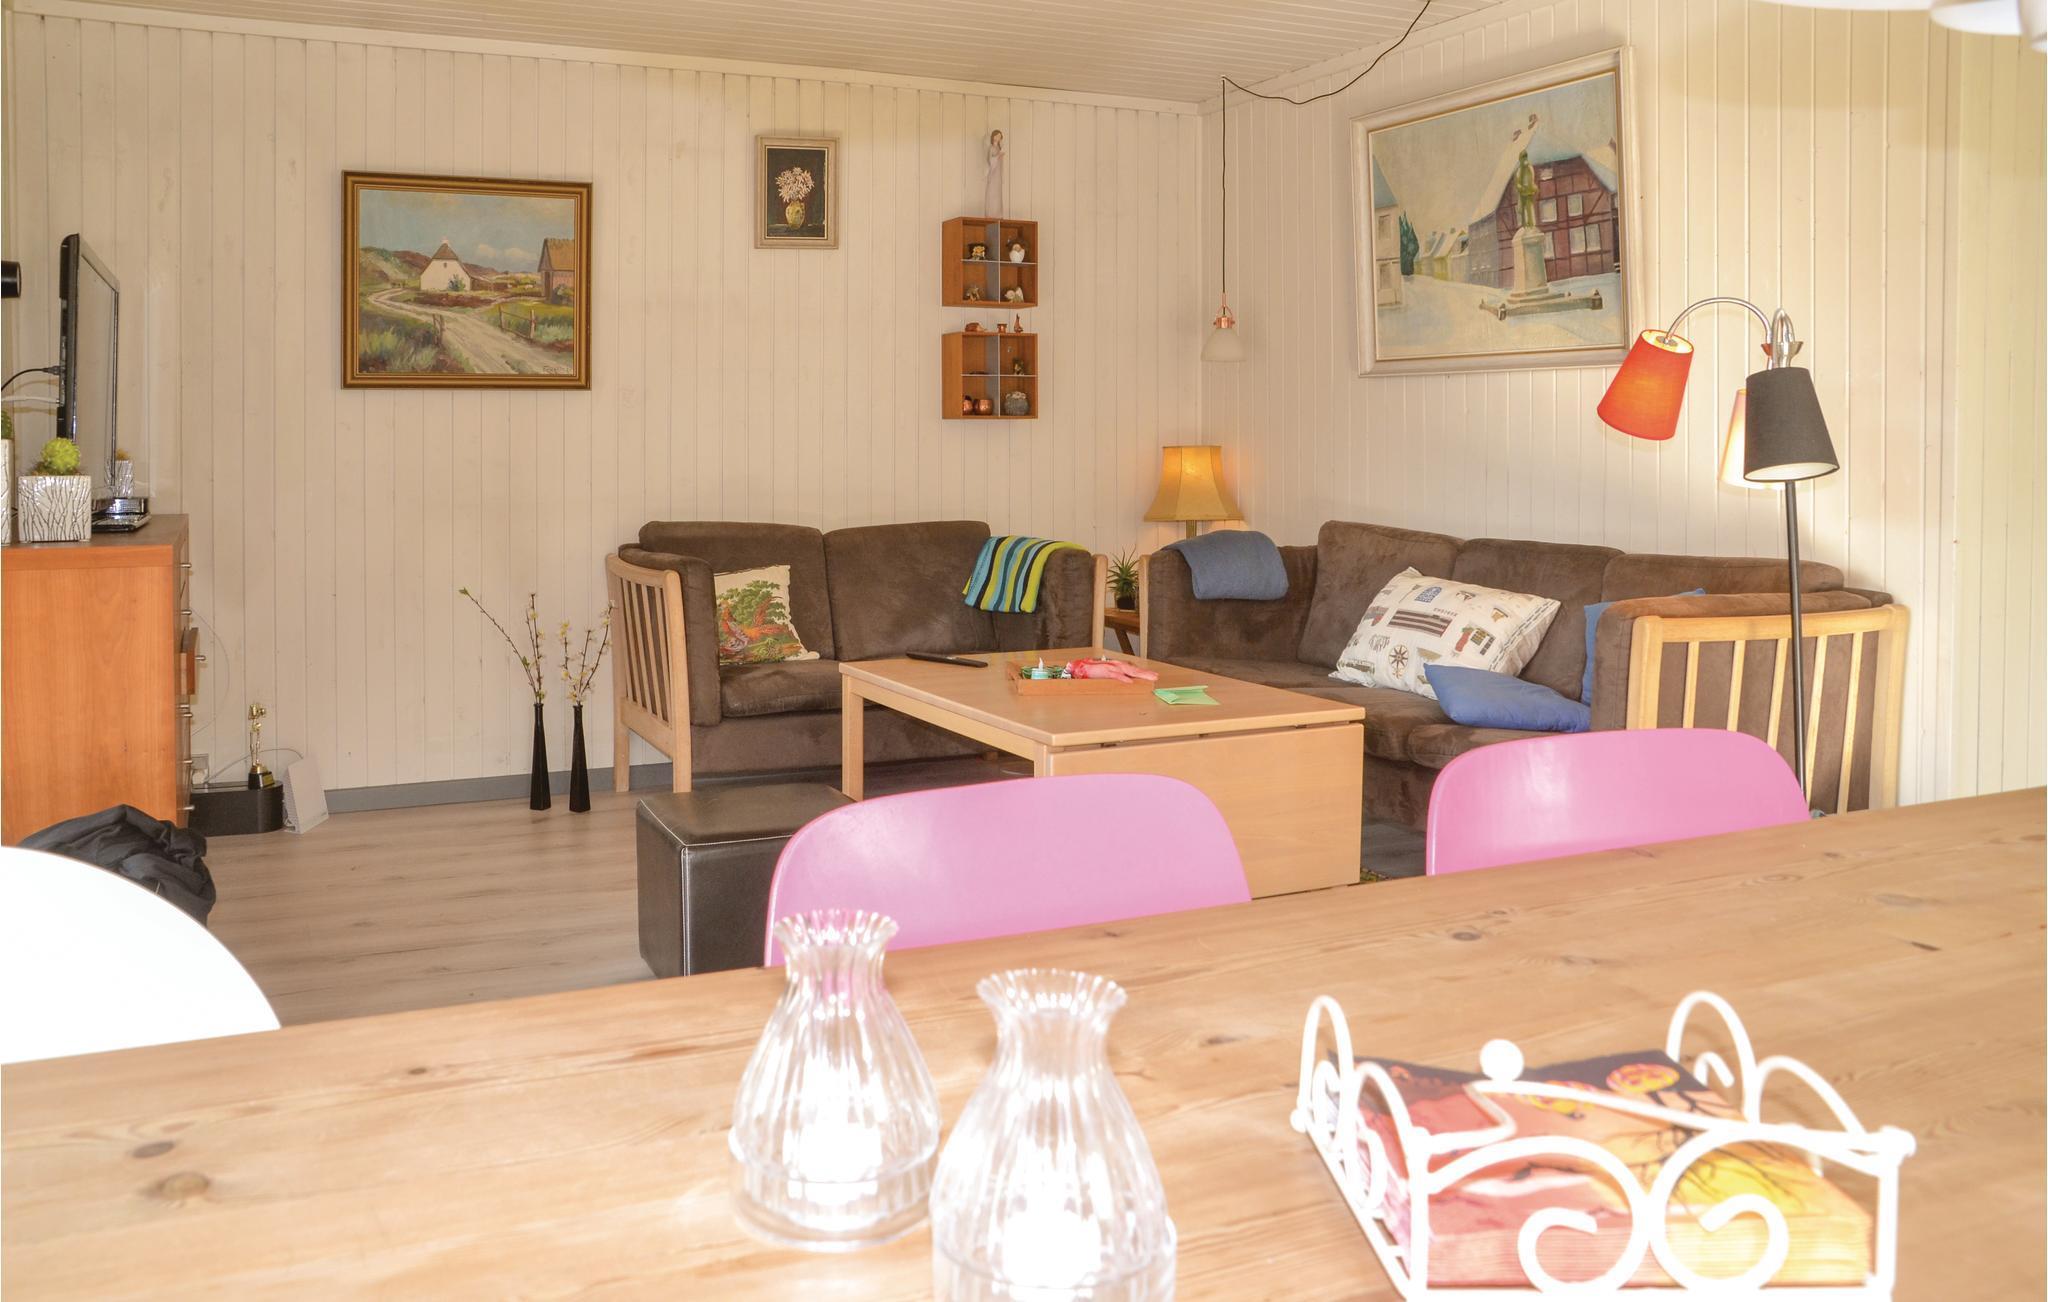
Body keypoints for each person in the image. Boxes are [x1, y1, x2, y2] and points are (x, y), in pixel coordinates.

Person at [984, 129, 1007, 218]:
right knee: (992, 193)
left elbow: (1000, 164)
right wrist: (998, 156)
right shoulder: (991, 148)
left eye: (1000, 136)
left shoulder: (999, 148)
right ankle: (991, 214)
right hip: (993, 175)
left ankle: (998, 214)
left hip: (998, 175)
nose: (998, 138)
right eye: (997, 136)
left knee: (998, 195)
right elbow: (990, 161)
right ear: (993, 137)